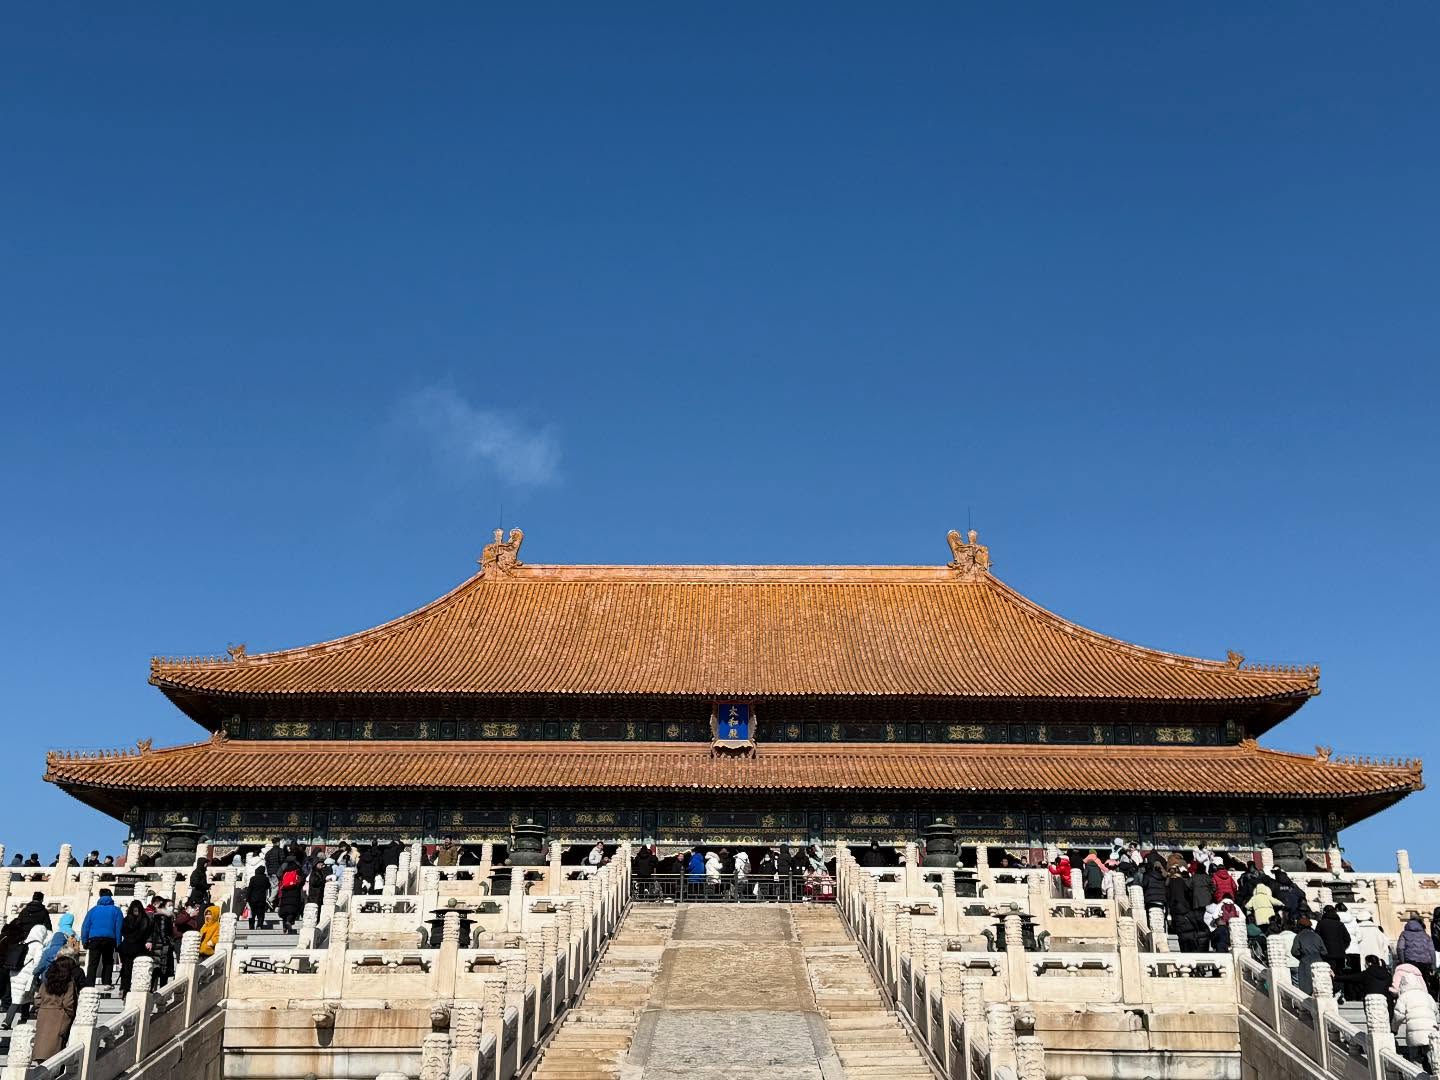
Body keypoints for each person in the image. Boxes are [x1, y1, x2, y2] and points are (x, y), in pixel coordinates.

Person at [31, 953, 84, 1061]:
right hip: (60, 1016)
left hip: (44, 1015)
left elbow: (38, 999)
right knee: (56, 1048)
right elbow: (68, 1003)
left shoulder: (47, 982)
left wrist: (40, 1010)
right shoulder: (69, 983)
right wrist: (70, 1015)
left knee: (42, 1044)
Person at [1392, 963, 1438, 1067]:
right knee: (1432, 1056)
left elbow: (1398, 1016)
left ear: (1403, 984)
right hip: (1430, 1030)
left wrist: (1394, 1029)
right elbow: (1435, 1012)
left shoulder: (1404, 997)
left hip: (1414, 1032)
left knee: (1415, 1058)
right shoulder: (1427, 996)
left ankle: (1418, 1072)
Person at [4, 922, 48, 1027]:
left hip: (15, 972)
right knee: (21, 998)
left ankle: (21, 1019)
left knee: (23, 996)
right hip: (26, 974)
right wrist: (36, 974)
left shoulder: (24, 941)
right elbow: (37, 962)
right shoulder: (38, 945)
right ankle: (9, 1021)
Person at [80, 888, 124, 989]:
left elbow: (85, 926)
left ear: (100, 896)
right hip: (110, 939)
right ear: (110, 897)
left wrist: (84, 941)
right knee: (108, 961)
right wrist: (118, 943)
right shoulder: (116, 910)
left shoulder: (93, 910)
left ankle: (90, 984)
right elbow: (119, 928)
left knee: (93, 962)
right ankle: (107, 983)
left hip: (94, 939)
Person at [117, 900, 152, 994]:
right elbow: (123, 931)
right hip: (129, 947)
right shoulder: (128, 919)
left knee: (132, 968)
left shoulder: (144, 919)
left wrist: (133, 938)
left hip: (137, 947)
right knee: (126, 968)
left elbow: (144, 932)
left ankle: (127, 987)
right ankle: (124, 987)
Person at [33, 914, 76, 985]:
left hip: (48, 979)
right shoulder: (66, 950)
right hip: (63, 979)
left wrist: (35, 973)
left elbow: (41, 966)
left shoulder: (47, 951)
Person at [1290, 915, 1326, 994]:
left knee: (1306, 987)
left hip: (1305, 962)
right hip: (1318, 962)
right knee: (1319, 986)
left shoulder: (1299, 936)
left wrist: (1302, 957)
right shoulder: (1317, 936)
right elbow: (1324, 951)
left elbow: (1294, 951)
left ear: (1300, 926)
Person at [1395, 916, 1436, 983]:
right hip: (1425, 964)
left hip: (1410, 962)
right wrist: (1433, 966)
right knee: (1424, 982)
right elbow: (1432, 951)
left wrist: (1403, 963)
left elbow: (1400, 948)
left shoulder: (1404, 934)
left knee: (1411, 982)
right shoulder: (1426, 936)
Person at [149, 899, 175, 986]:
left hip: (157, 944)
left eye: (172, 905)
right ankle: (161, 989)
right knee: (163, 969)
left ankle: (152, 988)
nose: (171, 907)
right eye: (169, 905)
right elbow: (163, 931)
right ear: (164, 907)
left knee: (156, 969)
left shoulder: (158, 916)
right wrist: (168, 942)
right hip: (163, 946)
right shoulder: (164, 917)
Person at [276, 861, 304, 935]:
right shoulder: (297, 871)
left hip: (285, 893)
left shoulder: (285, 872)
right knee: (292, 911)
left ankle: (284, 927)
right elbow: (301, 882)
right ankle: (289, 922)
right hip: (294, 893)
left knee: (284, 912)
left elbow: (280, 880)